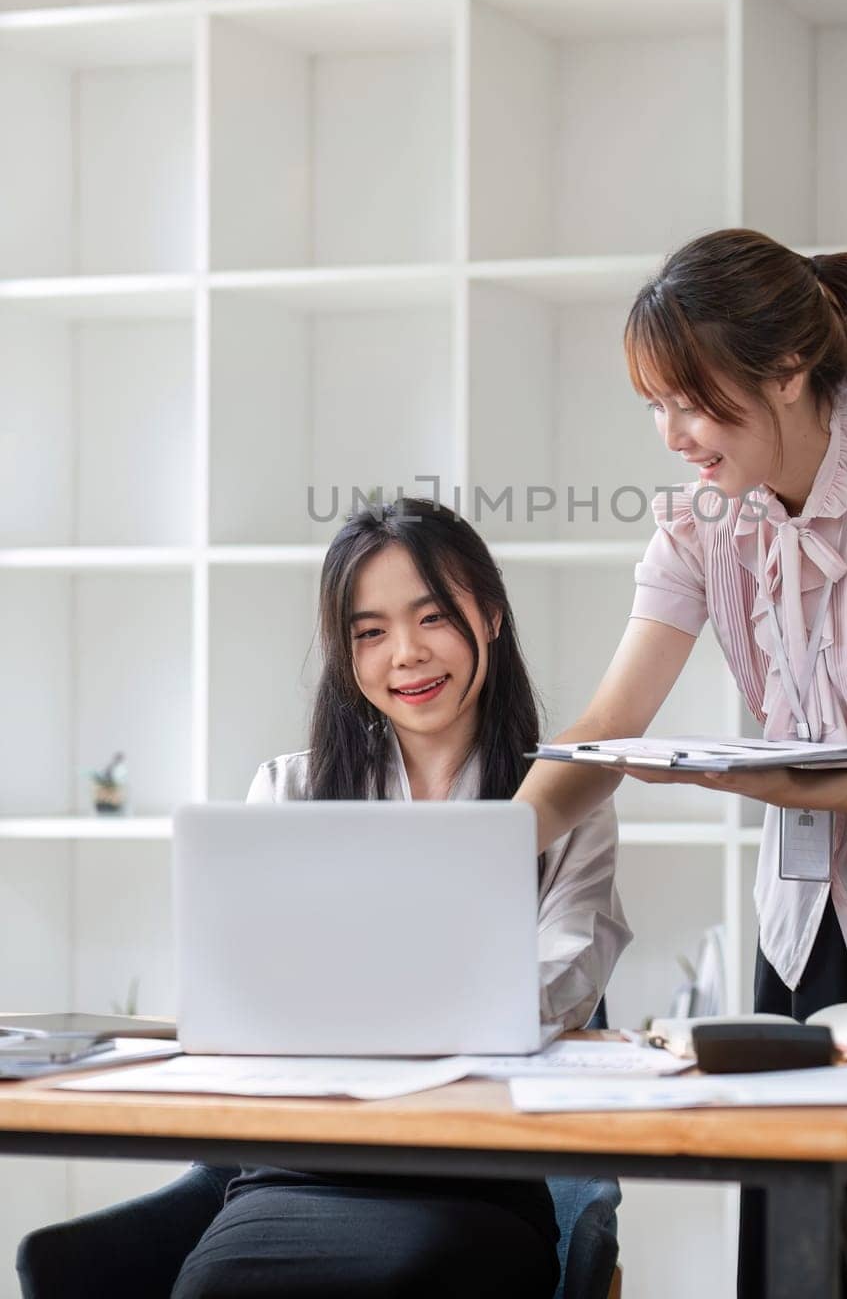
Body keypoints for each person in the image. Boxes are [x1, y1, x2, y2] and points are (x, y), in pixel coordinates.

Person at [514, 228, 847, 1299]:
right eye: (652, 405)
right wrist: (472, 848)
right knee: (799, 1267)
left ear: (789, 371)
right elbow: (610, 725)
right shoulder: (698, 524)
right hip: (801, 942)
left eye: (690, 401)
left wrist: (778, 785)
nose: (670, 434)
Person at [172, 498, 631, 1299]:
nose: (407, 656)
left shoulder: (565, 800)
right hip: (297, 1173)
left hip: (473, 1176)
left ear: (488, 614)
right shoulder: (288, 790)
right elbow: (240, 989)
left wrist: (354, 1008)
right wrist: (443, 1006)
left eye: (432, 617)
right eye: (371, 632)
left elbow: (566, 981)